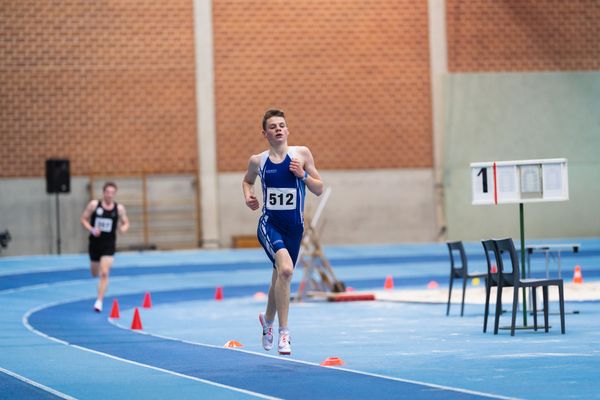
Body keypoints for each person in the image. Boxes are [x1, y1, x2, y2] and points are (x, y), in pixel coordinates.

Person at [242, 109, 323, 355]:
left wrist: (303, 175)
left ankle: (267, 321)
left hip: (295, 228)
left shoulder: (302, 154)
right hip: (270, 224)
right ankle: (284, 333)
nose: (278, 129)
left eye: (282, 125)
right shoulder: (259, 160)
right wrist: (249, 196)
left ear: (287, 130)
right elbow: (247, 181)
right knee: (286, 270)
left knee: (280, 277)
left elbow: (319, 188)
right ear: (265, 133)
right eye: (273, 126)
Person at [80, 182, 129, 312]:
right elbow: (84, 219)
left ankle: (99, 301)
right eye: (107, 192)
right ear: (103, 193)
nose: (109, 195)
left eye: (112, 193)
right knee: (94, 273)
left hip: (109, 244)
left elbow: (125, 222)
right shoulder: (94, 205)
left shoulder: (119, 208)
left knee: (105, 272)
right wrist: (91, 229)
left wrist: (123, 228)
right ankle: (100, 288)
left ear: (115, 194)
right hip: (95, 244)